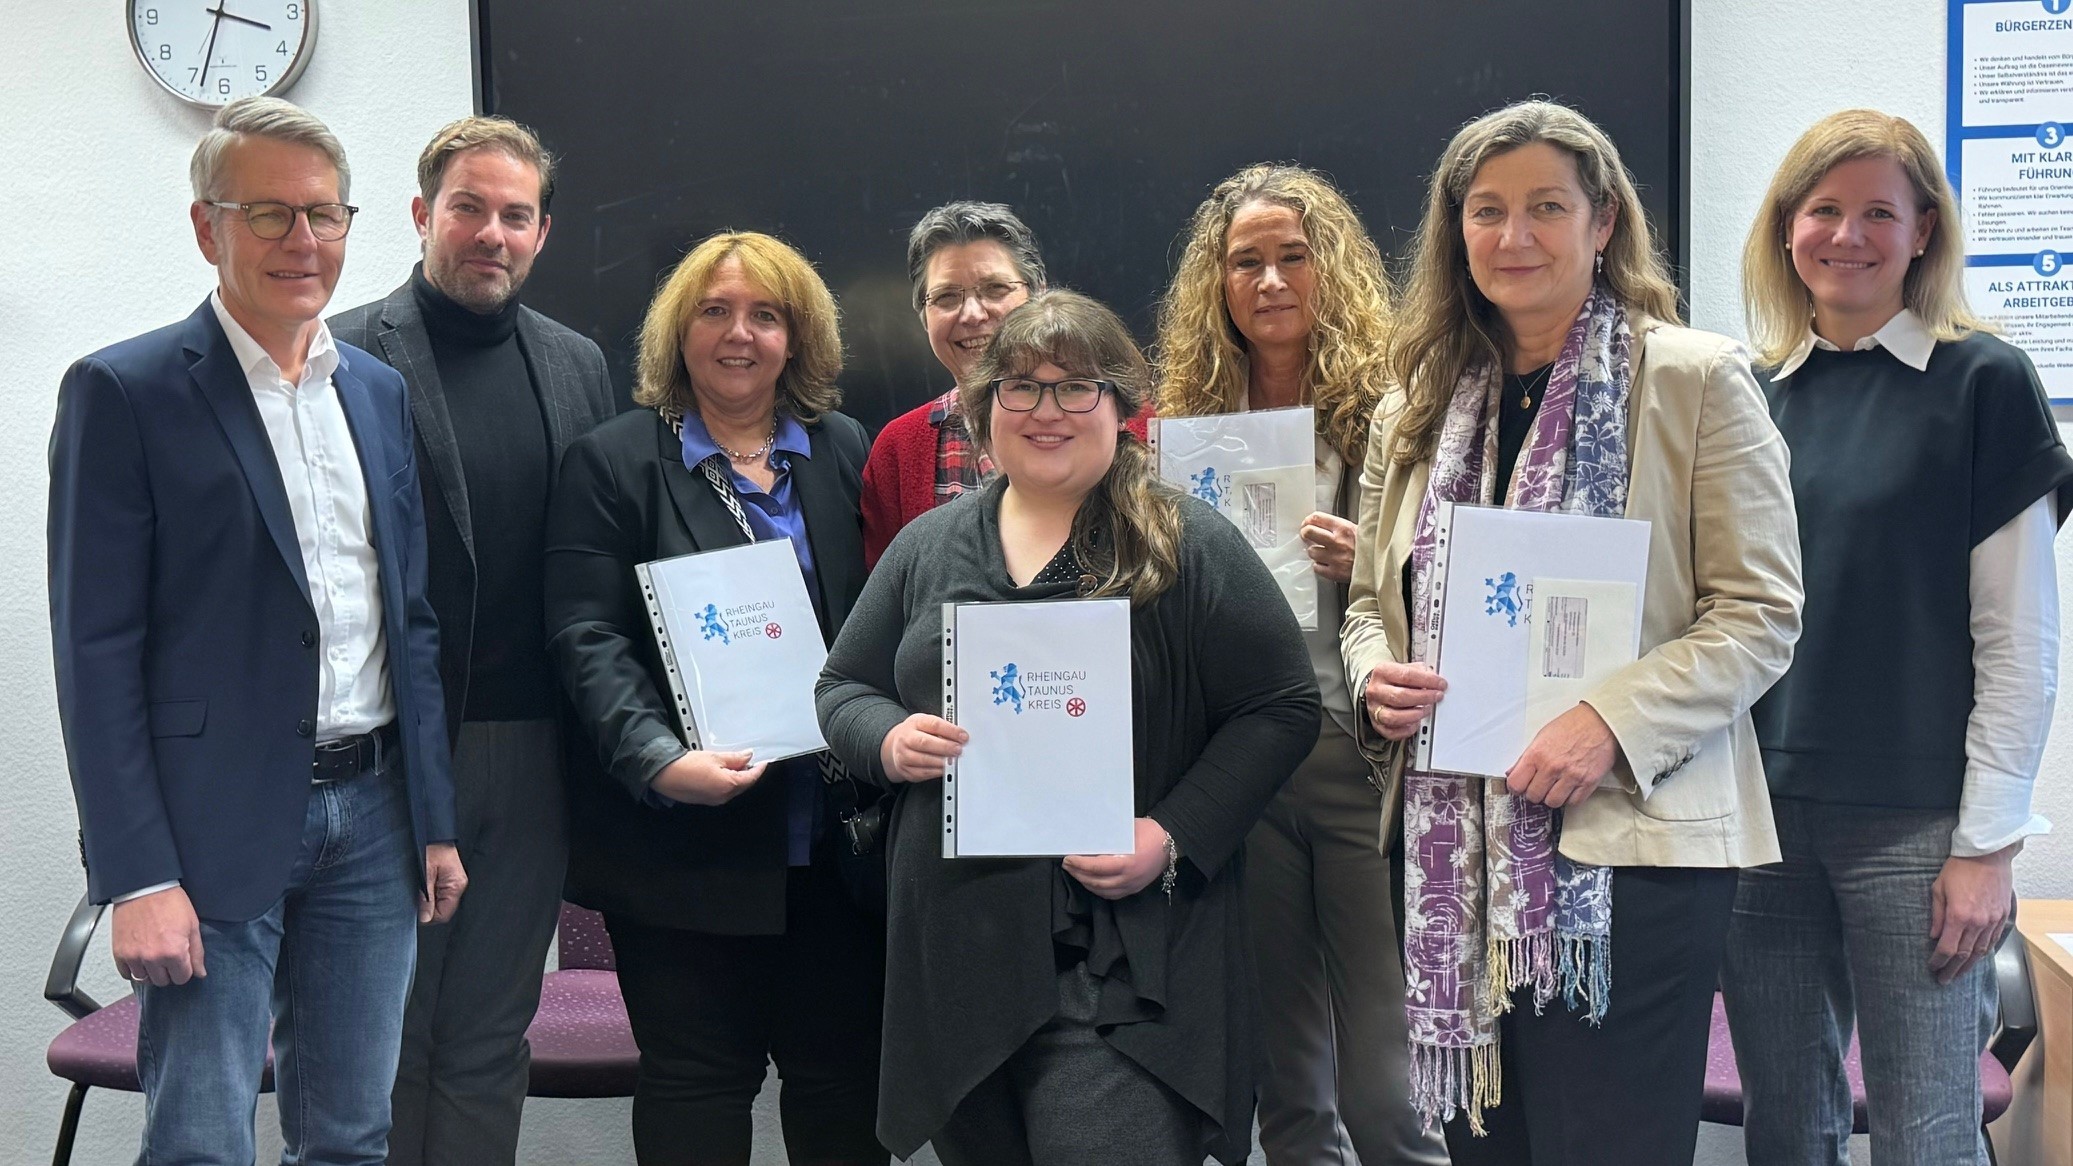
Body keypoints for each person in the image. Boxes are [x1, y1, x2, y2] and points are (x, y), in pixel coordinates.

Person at [1342, 99, 1803, 1165]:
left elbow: (1761, 612)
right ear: (1455, 232)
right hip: (1450, 855)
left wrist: (1606, 718)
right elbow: (1371, 599)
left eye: (1547, 207)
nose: (1514, 237)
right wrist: (1377, 677)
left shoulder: (1694, 377)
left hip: (1627, 847)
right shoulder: (1413, 400)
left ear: (1604, 223)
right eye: (1487, 211)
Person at [46, 97, 464, 1164]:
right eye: (267, 215)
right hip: (205, 829)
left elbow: (404, 615)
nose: (303, 242)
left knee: (351, 1134)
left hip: (373, 817)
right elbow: (94, 653)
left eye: (324, 214)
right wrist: (133, 875)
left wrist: (434, 816)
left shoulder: (373, 391)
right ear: (207, 228)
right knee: (200, 1138)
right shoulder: (126, 391)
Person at [818, 289, 1321, 1166]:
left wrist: (1169, 834)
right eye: (1019, 388)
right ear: (983, 412)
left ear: (1122, 407)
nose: (1046, 411)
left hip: (1120, 960)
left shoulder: (1187, 542)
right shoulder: (927, 546)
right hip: (957, 948)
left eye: (1075, 387)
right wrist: (889, 741)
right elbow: (842, 689)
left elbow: (1279, 705)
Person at [1722, 109, 2073, 1166]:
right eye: (1823, 209)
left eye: (1882, 210)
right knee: (1788, 1127)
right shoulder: (1745, 395)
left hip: (1919, 830)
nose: (1849, 234)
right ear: (1787, 230)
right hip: (1757, 819)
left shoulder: (1984, 382)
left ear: (1926, 232)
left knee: (1927, 1132)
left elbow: (2022, 641)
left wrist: (1988, 848)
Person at [544, 230, 884, 1166]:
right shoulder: (611, 462)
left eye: (766, 315)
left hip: (833, 840)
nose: (740, 334)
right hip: (681, 838)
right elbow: (588, 638)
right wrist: (656, 759)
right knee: (698, 1082)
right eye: (716, 311)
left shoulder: (841, 449)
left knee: (842, 1084)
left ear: (797, 337)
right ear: (677, 331)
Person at [328, 114, 618, 1166]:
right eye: (469, 208)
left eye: (515, 214)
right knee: (389, 1031)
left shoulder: (578, 364)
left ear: (541, 232)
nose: (491, 232)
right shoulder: (345, 351)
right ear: (421, 215)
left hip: (537, 749)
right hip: (393, 750)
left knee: (494, 1032)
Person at [1151, 162, 1445, 1166]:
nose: (1269, 280)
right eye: (1246, 262)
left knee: (1384, 1080)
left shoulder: (1397, 407)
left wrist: (1365, 560)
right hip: (1240, 761)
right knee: (1286, 1072)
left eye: (1291, 256)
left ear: (1332, 270)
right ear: (1217, 283)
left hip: (1358, 756)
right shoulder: (1185, 424)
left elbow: (1449, 577)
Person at [859, 201, 1048, 567]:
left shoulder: (1128, 426)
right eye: (946, 297)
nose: (973, 314)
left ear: (1037, 294)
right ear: (922, 315)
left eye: (995, 289)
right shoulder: (897, 451)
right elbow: (890, 607)